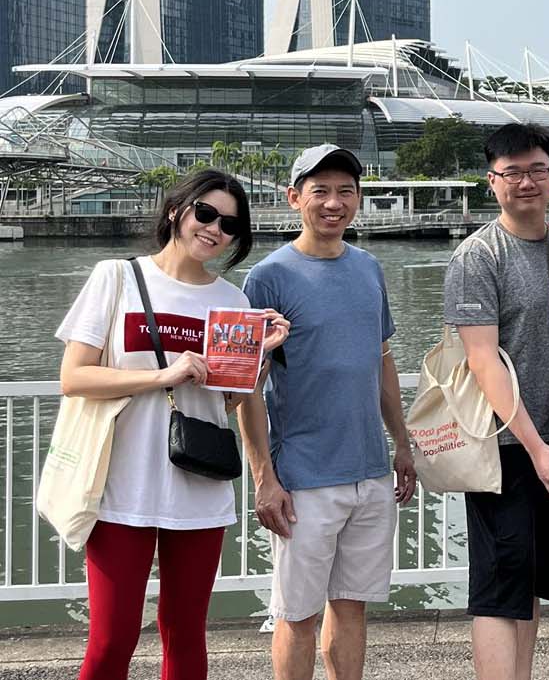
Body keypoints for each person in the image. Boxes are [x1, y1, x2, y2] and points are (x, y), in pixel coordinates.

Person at [57, 169, 288, 679]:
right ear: (176, 212)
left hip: (198, 485)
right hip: (121, 483)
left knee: (185, 634)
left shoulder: (232, 302)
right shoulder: (117, 277)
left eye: (229, 224)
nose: (214, 229)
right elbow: (74, 377)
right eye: (205, 213)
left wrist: (261, 359)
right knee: (111, 639)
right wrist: (166, 373)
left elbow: (227, 403)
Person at [238, 144, 415, 680]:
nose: (334, 202)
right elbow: (245, 389)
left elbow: (381, 361)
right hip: (305, 476)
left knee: (353, 607)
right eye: (320, 191)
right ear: (294, 198)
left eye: (345, 191)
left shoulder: (368, 267)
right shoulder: (266, 278)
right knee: (297, 615)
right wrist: (264, 478)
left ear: (358, 198)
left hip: (369, 469)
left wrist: (401, 444)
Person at [445, 123, 549, 680]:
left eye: (537, 170)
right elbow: (481, 360)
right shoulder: (478, 256)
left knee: (530, 581)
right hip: (504, 447)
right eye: (513, 173)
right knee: (501, 585)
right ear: (491, 181)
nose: (527, 182)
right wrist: (533, 446)